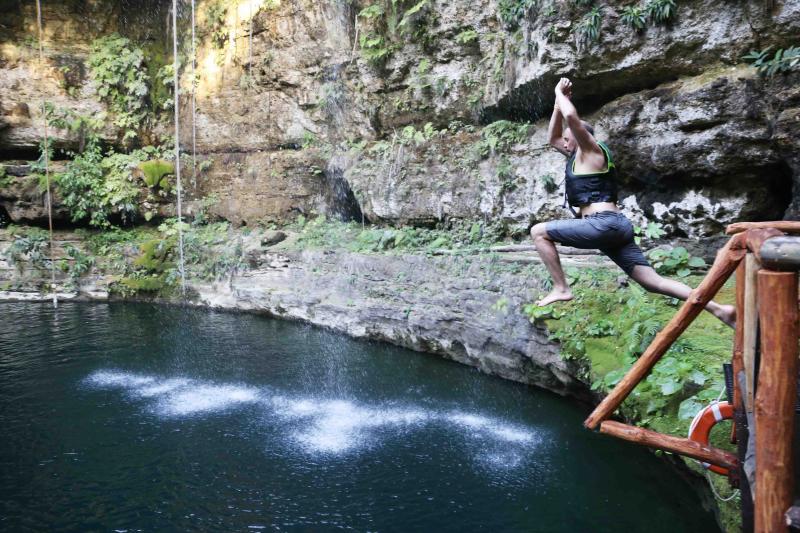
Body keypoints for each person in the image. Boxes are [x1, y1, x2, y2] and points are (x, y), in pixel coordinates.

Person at [529, 78, 735, 327]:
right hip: (614, 228)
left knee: (539, 232)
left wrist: (559, 94)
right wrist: (556, 106)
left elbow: (572, 118)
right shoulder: (577, 158)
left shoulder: (593, 153)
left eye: (568, 137)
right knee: (653, 282)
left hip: (603, 224)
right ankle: (720, 310)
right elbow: (553, 139)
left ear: (581, 138)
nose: (563, 141)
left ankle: (561, 287)